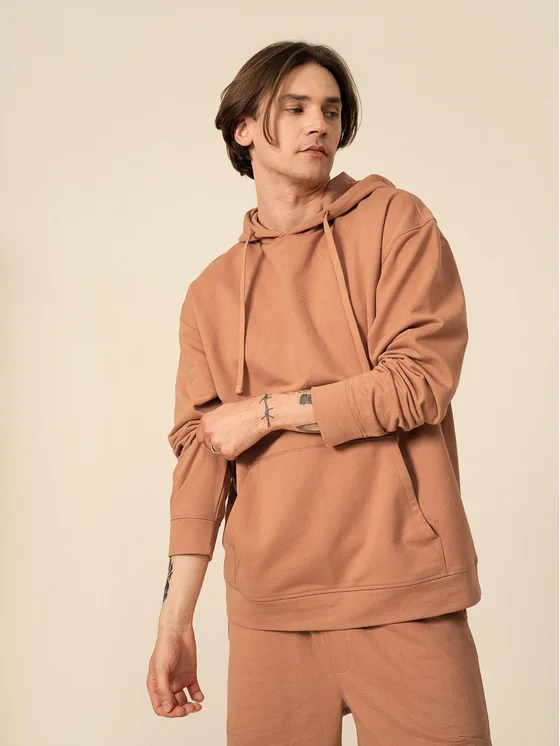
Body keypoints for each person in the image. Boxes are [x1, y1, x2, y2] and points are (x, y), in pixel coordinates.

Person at [147, 40, 493, 745]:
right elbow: (200, 463)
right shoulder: (210, 293)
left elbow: (419, 384)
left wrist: (267, 412)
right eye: (295, 108)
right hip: (269, 612)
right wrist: (174, 620)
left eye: (331, 111)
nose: (319, 125)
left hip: (402, 591)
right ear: (245, 128)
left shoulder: (396, 223)